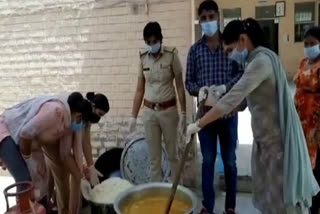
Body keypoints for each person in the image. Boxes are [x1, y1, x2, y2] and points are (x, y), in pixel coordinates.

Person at [186, 18, 319, 214]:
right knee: (269, 199)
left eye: (229, 50)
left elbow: (231, 100)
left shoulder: (261, 62)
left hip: (277, 148)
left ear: (242, 40)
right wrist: (212, 98)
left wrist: (198, 124)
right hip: (265, 145)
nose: (230, 56)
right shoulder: (253, 62)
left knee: (282, 203)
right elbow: (241, 104)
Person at [185, 1, 243, 214]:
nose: (208, 22)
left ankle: (230, 207)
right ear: (199, 21)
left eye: (211, 17)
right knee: (208, 161)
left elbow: (241, 75)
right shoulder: (195, 51)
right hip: (205, 116)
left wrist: (225, 88)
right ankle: (207, 206)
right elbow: (188, 82)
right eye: (204, 18)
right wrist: (199, 90)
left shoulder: (230, 45)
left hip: (228, 114)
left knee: (230, 161)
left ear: (218, 16)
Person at [0, 92, 91, 211]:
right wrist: (29, 161)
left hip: (27, 143)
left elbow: (65, 154)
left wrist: (80, 175)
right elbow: (25, 134)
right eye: (81, 122)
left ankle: (43, 208)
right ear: (78, 116)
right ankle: (25, 210)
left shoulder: (67, 123)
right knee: (24, 180)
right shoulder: (55, 111)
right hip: (7, 131)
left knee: (42, 178)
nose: (79, 126)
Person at [129, 21, 187, 182]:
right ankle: (157, 196)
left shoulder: (172, 54)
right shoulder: (143, 58)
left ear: (160, 39)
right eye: (148, 42)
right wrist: (133, 116)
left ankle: (177, 192)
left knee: (173, 155)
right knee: (154, 158)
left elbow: (180, 87)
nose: (151, 45)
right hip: (149, 112)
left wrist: (183, 113)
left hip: (169, 111)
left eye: (154, 41)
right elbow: (139, 89)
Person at [42, 92, 92, 214]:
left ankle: (48, 204)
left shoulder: (77, 118)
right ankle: (62, 209)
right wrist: (78, 173)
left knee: (55, 175)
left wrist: (80, 168)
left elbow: (77, 146)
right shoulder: (63, 114)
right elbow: (64, 154)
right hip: (47, 140)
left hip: (57, 138)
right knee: (62, 178)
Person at [294, 27, 320, 214]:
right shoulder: (303, 62)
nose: (309, 47)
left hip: (316, 128)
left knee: (317, 171)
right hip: (301, 125)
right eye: (306, 43)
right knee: (305, 168)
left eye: (313, 43)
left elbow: (309, 83)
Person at [82, 92, 110, 186]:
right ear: (93, 106)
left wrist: (91, 167)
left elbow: (86, 143)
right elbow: (79, 143)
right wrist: (80, 166)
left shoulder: (88, 119)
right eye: (99, 114)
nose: (98, 118)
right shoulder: (80, 115)